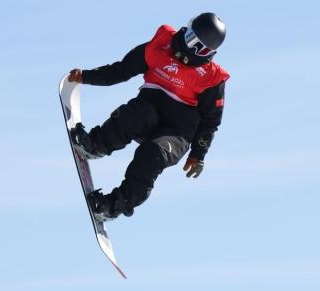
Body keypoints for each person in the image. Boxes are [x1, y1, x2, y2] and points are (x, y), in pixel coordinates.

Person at [67, 12, 229, 220]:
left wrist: (199, 154)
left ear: (209, 53)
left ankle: (115, 204)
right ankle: (97, 144)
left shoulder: (211, 79)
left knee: (151, 155)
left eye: (199, 47)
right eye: (190, 37)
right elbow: (122, 70)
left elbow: (210, 121)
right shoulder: (161, 46)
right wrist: (87, 76)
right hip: (148, 114)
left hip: (177, 133)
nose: (189, 48)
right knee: (137, 114)